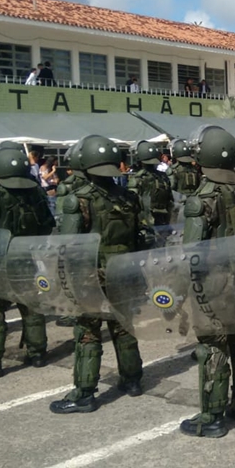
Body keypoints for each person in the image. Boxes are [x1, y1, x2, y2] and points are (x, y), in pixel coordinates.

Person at [49, 135, 145, 413]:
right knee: (124, 328)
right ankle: (133, 380)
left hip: (92, 277)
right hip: (124, 273)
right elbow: (141, 238)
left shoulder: (77, 201)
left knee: (88, 332)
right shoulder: (129, 198)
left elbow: (67, 245)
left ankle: (84, 393)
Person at [179, 125, 235, 437]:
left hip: (213, 285)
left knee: (213, 346)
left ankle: (212, 416)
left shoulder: (202, 199)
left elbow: (191, 252)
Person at [0, 147, 55, 378]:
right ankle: (38, 353)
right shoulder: (35, 193)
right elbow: (47, 225)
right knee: (31, 306)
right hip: (27, 259)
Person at [128, 141, 174, 227]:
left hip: (144, 222)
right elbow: (171, 199)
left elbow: (132, 205)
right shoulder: (163, 176)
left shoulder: (137, 179)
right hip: (163, 220)